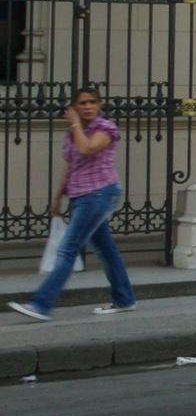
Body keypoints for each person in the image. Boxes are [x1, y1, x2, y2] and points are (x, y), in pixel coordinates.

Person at [10, 87, 137, 321]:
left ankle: (40, 304)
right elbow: (71, 165)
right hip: (79, 196)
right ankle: (124, 298)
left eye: (92, 102)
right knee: (106, 250)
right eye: (82, 103)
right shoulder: (73, 132)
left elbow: (87, 148)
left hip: (99, 193)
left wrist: (76, 124)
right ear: (74, 107)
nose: (88, 107)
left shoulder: (105, 128)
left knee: (68, 249)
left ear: (99, 105)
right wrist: (57, 197)